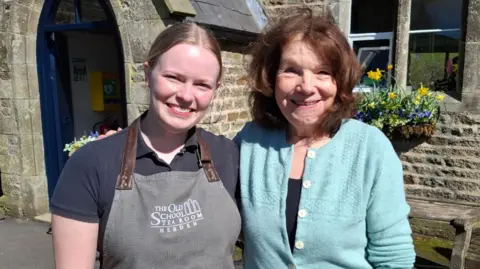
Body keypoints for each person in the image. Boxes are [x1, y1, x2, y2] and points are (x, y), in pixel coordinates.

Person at [233, 9, 416, 269]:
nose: (307, 86)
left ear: (339, 83)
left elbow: (393, 258)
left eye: (323, 72)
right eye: (291, 71)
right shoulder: (250, 142)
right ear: (271, 79)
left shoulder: (370, 148)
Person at [50, 22, 241, 269]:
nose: (185, 95)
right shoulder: (91, 164)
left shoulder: (229, 155)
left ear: (216, 90)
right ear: (147, 74)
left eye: (202, 84)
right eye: (173, 77)